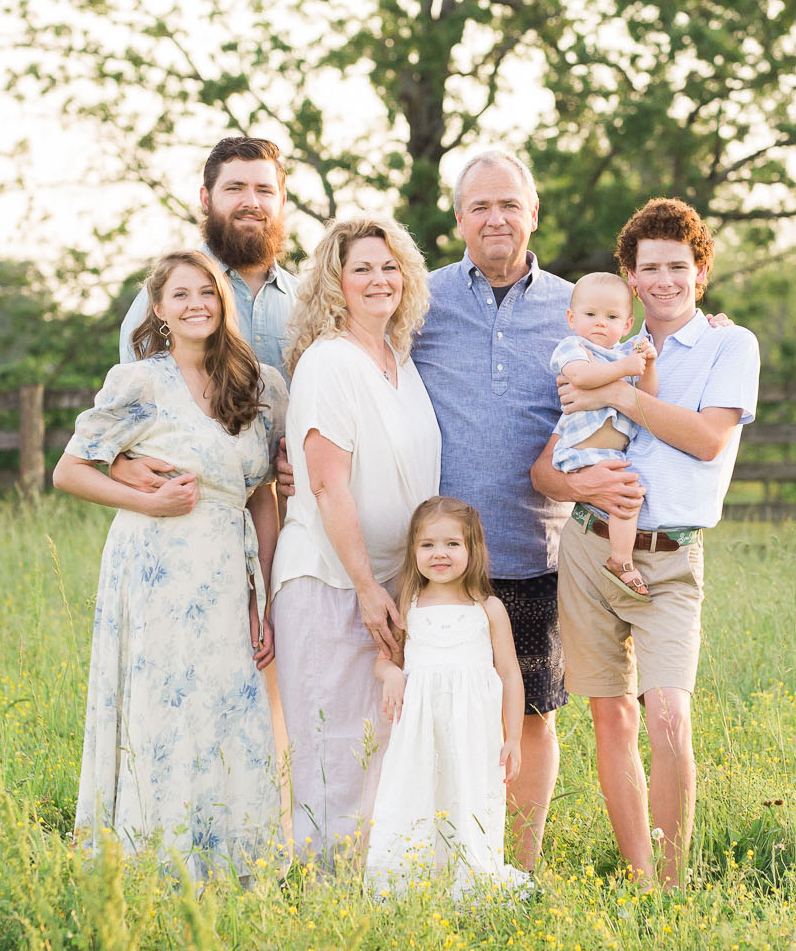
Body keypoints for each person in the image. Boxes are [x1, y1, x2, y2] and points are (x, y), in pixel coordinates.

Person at [411, 148, 646, 873]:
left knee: (534, 714)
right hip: (441, 560)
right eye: (479, 205)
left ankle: (519, 865)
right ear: (457, 219)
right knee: (434, 714)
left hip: (537, 550)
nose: (495, 218)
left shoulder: (580, 308)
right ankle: (439, 861)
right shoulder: (421, 299)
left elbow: (650, 351)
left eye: (509, 203)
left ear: (533, 213)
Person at [544, 198, 759, 888]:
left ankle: (673, 883)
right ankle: (640, 878)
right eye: (649, 268)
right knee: (611, 717)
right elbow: (545, 468)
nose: (663, 279)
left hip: (670, 558)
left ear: (700, 272)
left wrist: (624, 392)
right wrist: (588, 487)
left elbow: (705, 439)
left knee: (666, 716)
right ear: (630, 278)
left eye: (678, 266)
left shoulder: (731, 345)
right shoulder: (599, 345)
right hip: (589, 548)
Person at [51, 250, 286, 877]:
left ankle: (234, 864)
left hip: (227, 564)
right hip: (154, 563)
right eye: (180, 295)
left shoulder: (260, 385)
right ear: (159, 310)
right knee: (165, 704)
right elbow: (70, 470)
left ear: (223, 302)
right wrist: (145, 501)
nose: (195, 305)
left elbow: (260, 493)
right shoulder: (140, 383)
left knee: (231, 704)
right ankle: (156, 860)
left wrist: (263, 590)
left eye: (206, 293)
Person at [268, 215, 440, 866]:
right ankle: (321, 901)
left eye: (389, 265)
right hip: (333, 584)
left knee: (377, 754)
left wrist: (400, 587)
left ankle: (367, 897)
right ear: (335, 281)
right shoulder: (330, 360)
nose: (378, 279)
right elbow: (329, 484)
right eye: (361, 267)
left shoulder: (399, 360)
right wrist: (369, 588)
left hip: (392, 587)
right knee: (332, 751)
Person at [364, 497, 529, 896]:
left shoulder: (488, 608)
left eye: (452, 544)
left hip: (474, 732)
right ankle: (415, 879)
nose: (440, 553)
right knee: (419, 793)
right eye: (428, 545)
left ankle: (472, 877)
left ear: (472, 550)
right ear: (413, 551)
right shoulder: (409, 604)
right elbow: (385, 661)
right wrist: (391, 676)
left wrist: (514, 737)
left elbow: (509, 672)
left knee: (468, 794)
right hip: (420, 732)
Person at [116, 136, 296, 370]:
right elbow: (137, 398)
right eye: (235, 188)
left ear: (281, 201)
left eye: (264, 191)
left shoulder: (304, 301)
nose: (251, 202)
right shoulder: (164, 299)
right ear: (206, 199)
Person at [548, 273, 660, 600]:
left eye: (611, 317)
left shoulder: (625, 354)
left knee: (629, 496)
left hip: (611, 455)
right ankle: (621, 561)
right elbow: (582, 377)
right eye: (590, 315)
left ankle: (617, 559)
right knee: (628, 495)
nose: (600, 323)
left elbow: (648, 398)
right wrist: (627, 367)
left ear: (627, 325)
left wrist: (647, 366)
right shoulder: (573, 347)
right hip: (580, 450)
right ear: (572, 319)